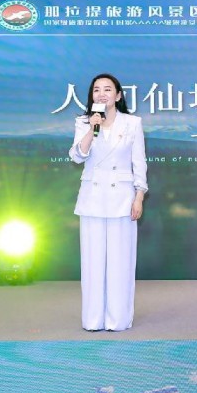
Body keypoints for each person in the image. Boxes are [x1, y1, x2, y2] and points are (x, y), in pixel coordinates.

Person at [68, 73, 148, 331]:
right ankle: (93, 319)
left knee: (120, 261)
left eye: (107, 89)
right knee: (92, 261)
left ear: (118, 95)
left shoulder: (132, 123)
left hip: (122, 198)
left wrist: (139, 196)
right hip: (92, 197)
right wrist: (92, 129)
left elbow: (139, 162)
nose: (101, 94)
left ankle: (118, 319)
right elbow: (77, 156)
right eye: (96, 90)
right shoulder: (84, 122)